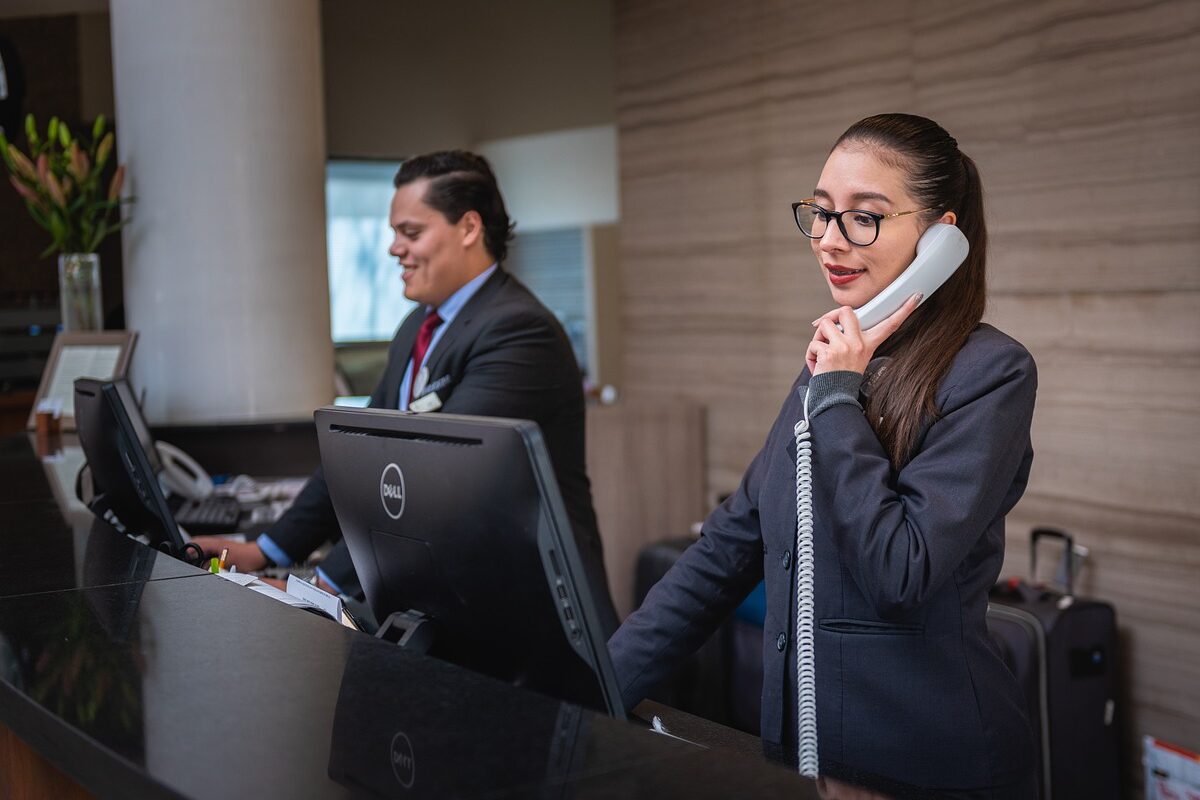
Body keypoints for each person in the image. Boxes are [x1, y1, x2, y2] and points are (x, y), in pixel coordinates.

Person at [608, 114, 1037, 798]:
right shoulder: (834, 363)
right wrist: (594, 688)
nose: (829, 241)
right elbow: (727, 548)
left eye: (863, 218)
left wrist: (838, 392)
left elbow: (902, 569)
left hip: (926, 766)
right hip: (801, 760)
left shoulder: (990, 373)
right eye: (821, 212)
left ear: (941, 238)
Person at [195, 151, 619, 635]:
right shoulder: (418, 324)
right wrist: (268, 550)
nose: (395, 248)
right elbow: (357, 456)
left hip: (529, 623)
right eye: (394, 232)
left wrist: (321, 587)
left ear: (468, 228)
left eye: (411, 232)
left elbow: (431, 486)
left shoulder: (519, 332)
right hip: (448, 605)